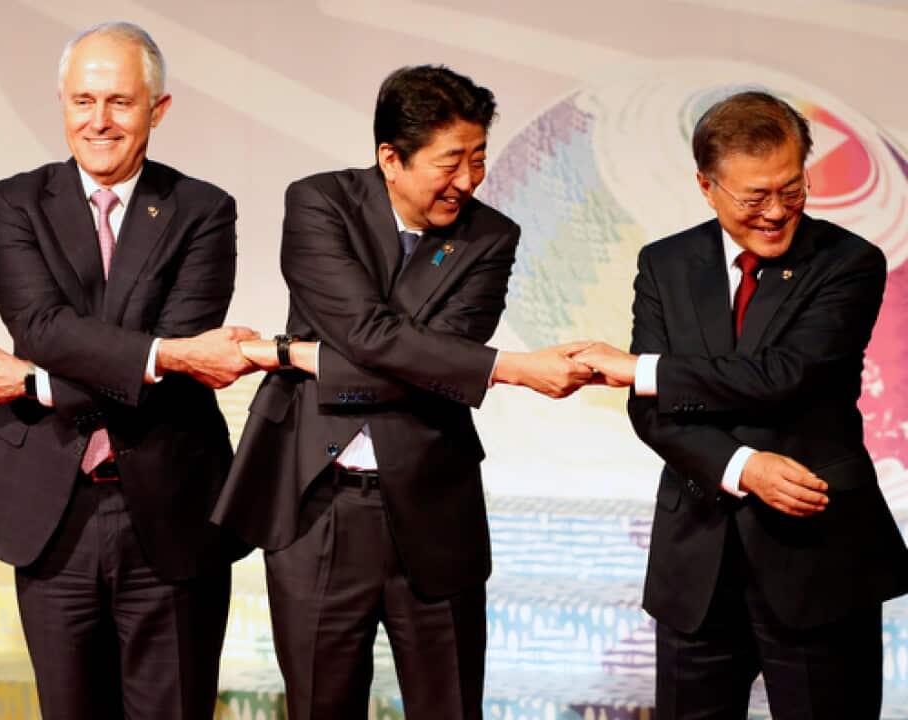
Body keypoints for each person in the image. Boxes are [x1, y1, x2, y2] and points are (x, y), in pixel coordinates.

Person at [212, 65, 594, 719]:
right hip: (316, 503)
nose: (469, 181)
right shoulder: (319, 203)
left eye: (479, 159)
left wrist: (288, 354)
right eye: (452, 162)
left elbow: (419, 358)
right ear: (391, 157)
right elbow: (375, 337)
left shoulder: (489, 236)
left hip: (432, 499)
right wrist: (505, 367)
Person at [0, 22, 253, 720]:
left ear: (158, 109)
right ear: (61, 103)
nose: (99, 120)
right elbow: (42, 328)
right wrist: (157, 355)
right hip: (53, 512)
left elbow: (180, 355)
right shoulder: (14, 202)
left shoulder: (203, 209)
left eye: (119, 101)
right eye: (83, 100)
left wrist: (34, 383)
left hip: (173, 506)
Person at [574, 91, 908, 719]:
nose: (777, 212)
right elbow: (653, 412)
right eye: (755, 197)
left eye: (793, 189)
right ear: (707, 186)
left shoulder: (849, 263)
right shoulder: (666, 263)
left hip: (818, 562)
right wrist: (742, 467)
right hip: (696, 561)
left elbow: (785, 375)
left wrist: (648, 370)